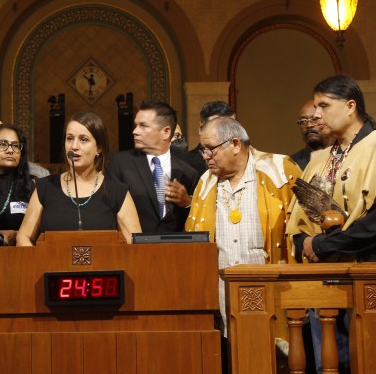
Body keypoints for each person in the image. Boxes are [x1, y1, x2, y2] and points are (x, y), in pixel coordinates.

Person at [287, 75, 376, 373]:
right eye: (315, 107)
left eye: (324, 106)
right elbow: (297, 221)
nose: (316, 115)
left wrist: (323, 245)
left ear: (350, 106)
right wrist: (308, 245)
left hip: (371, 279)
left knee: (371, 362)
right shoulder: (320, 158)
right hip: (323, 286)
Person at [185, 117, 299, 337]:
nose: (206, 156)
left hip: (272, 290)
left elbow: (304, 229)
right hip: (222, 295)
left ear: (235, 144)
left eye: (211, 149)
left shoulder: (279, 170)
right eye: (203, 150)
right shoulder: (205, 183)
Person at [17, 112, 141, 245]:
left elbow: (135, 244)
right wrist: (37, 264)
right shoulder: (45, 187)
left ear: (99, 148)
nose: (74, 146)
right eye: (69, 138)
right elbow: (23, 237)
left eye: (83, 139)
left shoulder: (117, 191)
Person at [106, 100, 198, 233]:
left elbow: (196, 221)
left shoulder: (189, 173)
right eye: (136, 125)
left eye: (143, 126)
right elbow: (110, 211)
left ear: (166, 132)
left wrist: (187, 202)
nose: (135, 131)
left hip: (176, 250)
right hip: (134, 248)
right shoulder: (119, 163)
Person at [183, 101, 236, 176]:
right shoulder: (184, 165)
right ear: (200, 128)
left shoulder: (247, 160)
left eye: (230, 127)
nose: (225, 133)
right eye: (217, 128)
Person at [290, 99, 331, 170]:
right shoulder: (292, 164)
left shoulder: (344, 154)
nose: (309, 125)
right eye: (303, 121)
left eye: (314, 119)